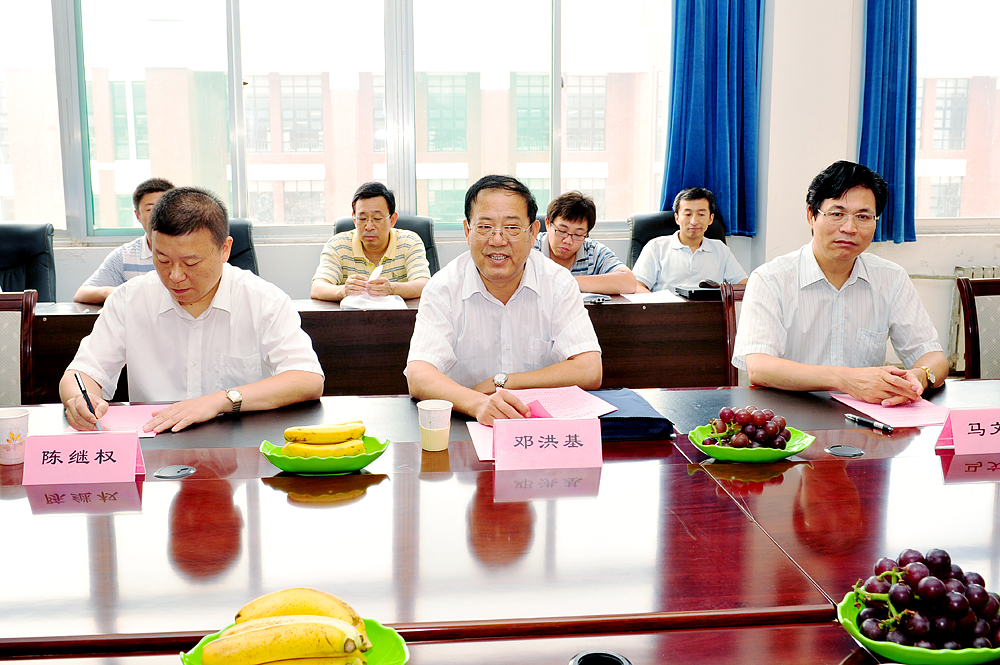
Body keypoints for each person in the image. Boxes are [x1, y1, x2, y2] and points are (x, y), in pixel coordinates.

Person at [60, 186, 324, 433]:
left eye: (191, 262)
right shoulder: (129, 299)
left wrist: (219, 401)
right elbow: (81, 373)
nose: (175, 276)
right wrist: (80, 400)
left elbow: (307, 378)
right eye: (162, 259)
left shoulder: (264, 300)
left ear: (225, 249)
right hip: (156, 446)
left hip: (239, 445)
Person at [732, 160, 948, 406]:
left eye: (863, 216)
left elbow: (934, 357)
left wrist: (920, 376)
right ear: (811, 216)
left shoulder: (891, 278)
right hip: (790, 417)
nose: (849, 228)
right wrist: (845, 379)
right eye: (837, 214)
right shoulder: (770, 279)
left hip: (869, 418)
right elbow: (759, 367)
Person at [406, 175, 602, 425]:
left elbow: (589, 369)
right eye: (485, 227)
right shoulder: (442, 288)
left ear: (533, 233)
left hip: (539, 426)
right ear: (467, 231)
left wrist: (501, 383)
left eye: (511, 227)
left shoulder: (558, 283)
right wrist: (478, 403)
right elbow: (419, 375)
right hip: (465, 424)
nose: (497, 240)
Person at [310, 182, 430, 301]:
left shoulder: (409, 242)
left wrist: (392, 288)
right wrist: (343, 291)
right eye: (362, 219)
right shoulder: (337, 245)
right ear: (354, 219)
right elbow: (317, 288)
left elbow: (424, 284)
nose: (369, 226)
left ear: (392, 220)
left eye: (377, 219)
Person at [74, 178, 175, 304]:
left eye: (163, 208)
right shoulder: (125, 256)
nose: (158, 215)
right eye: (150, 209)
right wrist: (119, 292)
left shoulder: (191, 249)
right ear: (138, 216)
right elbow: (82, 293)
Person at [633, 187, 748, 293]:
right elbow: (637, 286)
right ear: (677, 218)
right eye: (688, 214)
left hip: (710, 308)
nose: (694, 221)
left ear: (711, 219)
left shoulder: (720, 249)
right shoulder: (656, 247)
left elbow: (743, 285)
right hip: (667, 308)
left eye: (701, 214)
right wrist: (660, 306)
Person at [533, 191, 636, 294]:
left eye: (578, 234)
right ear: (548, 224)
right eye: (562, 231)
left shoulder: (593, 252)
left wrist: (567, 282)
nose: (568, 241)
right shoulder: (530, 248)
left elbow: (629, 283)